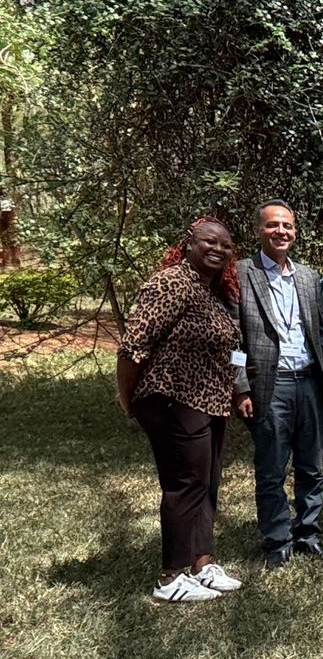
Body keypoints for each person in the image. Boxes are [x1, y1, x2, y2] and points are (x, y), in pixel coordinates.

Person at [117, 216, 244, 602]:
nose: (218, 250)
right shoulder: (171, 282)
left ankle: (201, 565)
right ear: (188, 243)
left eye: (225, 245)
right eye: (209, 242)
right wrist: (127, 397)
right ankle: (171, 577)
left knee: (205, 482)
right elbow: (133, 346)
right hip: (172, 399)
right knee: (184, 484)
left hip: (208, 402)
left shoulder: (211, 291)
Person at [233, 200, 323, 570]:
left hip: (310, 384)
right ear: (259, 231)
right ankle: (276, 541)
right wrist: (240, 387)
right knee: (272, 469)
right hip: (270, 385)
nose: (281, 232)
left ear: (295, 231)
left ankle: (308, 534)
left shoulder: (309, 278)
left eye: (287, 226)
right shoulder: (241, 275)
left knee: (312, 466)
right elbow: (233, 339)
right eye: (272, 226)